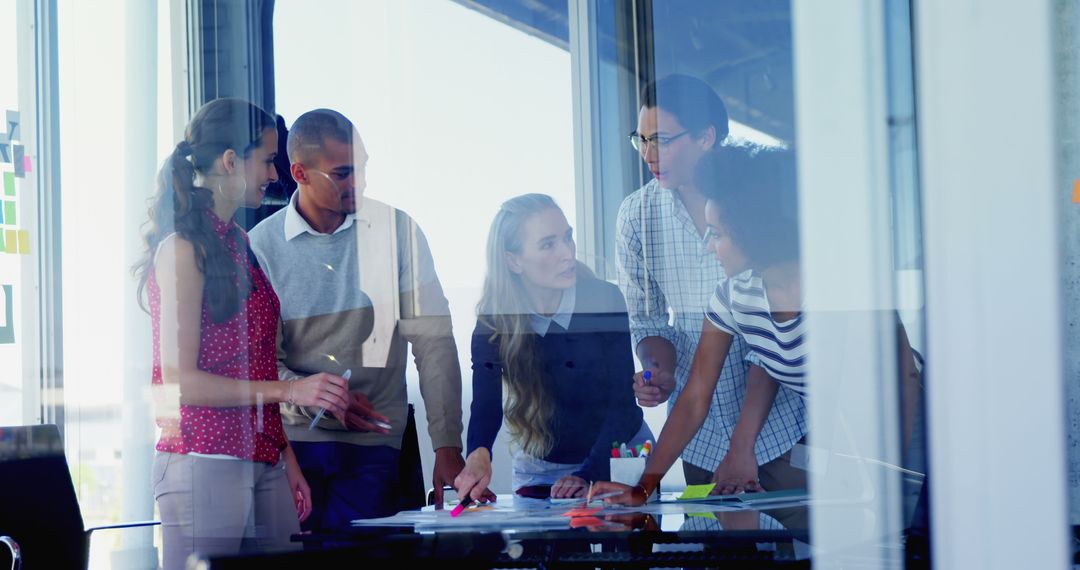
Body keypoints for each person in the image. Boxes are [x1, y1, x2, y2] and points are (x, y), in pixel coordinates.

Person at [596, 148, 922, 506]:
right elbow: (693, 400)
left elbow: (904, 380)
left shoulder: (842, 285)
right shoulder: (736, 297)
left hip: (912, 430)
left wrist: (893, 482)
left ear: (752, 230)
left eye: (716, 234)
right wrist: (643, 489)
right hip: (854, 439)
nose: (708, 248)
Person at [135, 98, 352, 569]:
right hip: (202, 460)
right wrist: (292, 389)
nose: (274, 173)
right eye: (268, 159)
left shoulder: (240, 245)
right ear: (231, 161)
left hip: (263, 459)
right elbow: (179, 382)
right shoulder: (181, 250)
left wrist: (284, 455)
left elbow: (250, 361)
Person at [249, 108, 465, 530]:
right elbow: (257, 367)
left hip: (379, 448)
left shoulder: (398, 232)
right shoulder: (260, 248)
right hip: (294, 449)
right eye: (343, 173)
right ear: (300, 173)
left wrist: (446, 445)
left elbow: (434, 344)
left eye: (362, 169)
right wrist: (318, 396)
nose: (358, 184)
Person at [614, 75, 807, 491]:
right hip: (696, 441)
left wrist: (744, 443)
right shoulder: (636, 216)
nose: (648, 154)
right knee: (715, 551)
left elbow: (772, 341)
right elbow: (647, 324)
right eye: (641, 140)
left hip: (783, 433)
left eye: (661, 140)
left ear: (706, 138)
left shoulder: (763, 205)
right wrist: (656, 370)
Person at [454, 194, 652, 501]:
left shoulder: (604, 300)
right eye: (548, 244)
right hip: (542, 469)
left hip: (618, 456)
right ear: (513, 260)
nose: (567, 252)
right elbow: (485, 402)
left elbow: (622, 405)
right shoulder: (494, 322)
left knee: (626, 549)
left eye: (568, 237)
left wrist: (587, 474)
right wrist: (478, 454)